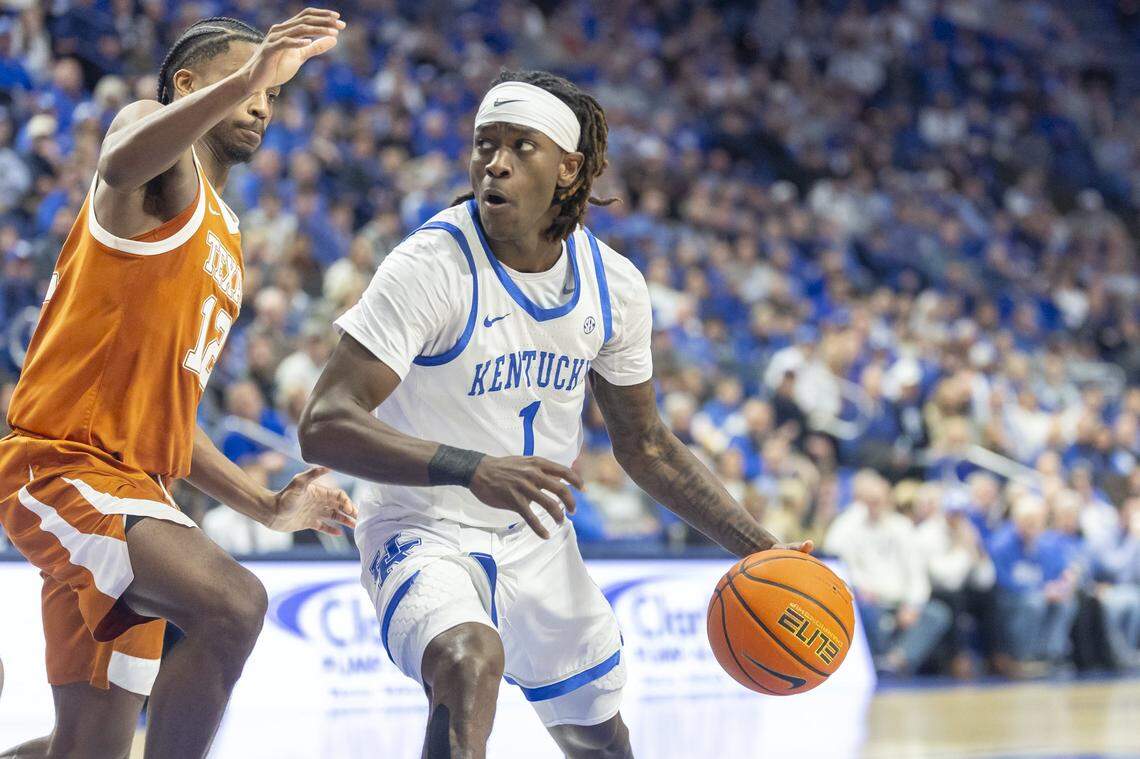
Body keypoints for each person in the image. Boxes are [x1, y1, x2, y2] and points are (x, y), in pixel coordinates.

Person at [299, 70, 810, 758]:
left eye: (519, 146)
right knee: (468, 657)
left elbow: (647, 446)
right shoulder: (432, 265)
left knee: (599, 739)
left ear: (570, 169)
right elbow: (324, 421)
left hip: (537, 538)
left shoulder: (614, 285)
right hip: (423, 524)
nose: (495, 163)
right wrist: (471, 469)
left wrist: (760, 547)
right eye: (485, 145)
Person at [0, 11, 356, 759]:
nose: (264, 101)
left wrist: (265, 503)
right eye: (248, 84)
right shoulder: (150, 143)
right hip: (62, 466)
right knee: (234, 603)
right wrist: (254, 69)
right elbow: (122, 159)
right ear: (187, 86)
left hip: (136, 492)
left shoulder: (227, 238)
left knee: (88, 751)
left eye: (273, 94)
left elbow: (173, 417)